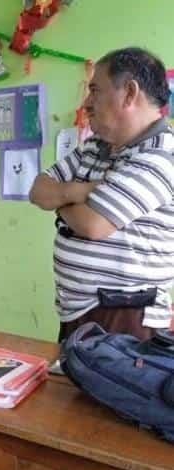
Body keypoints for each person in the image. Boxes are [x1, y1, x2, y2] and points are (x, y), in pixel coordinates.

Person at [29, 47, 174, 341]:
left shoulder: (161, 154)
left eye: (95, 90)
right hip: (79, 313)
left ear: (129, 93)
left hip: (126, 318)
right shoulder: (95, 146)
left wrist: (61, 202)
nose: (86, 103)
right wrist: (81, 191)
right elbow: (37, 191)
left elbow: (92, 225)